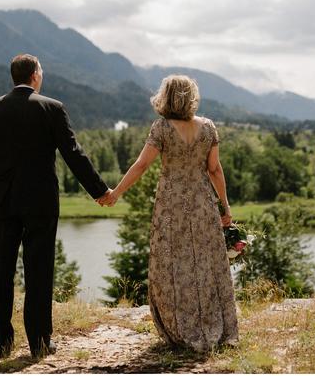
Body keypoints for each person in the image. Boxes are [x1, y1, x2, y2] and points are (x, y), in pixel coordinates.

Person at [0, 54, 113, 359]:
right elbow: (73, 153)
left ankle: (3, 342)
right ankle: (39, 342)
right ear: (35, 75)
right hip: (40, 201)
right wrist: (99, 191)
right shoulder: (52, 108)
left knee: (1, 270)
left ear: (15, 77)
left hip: (3, 201)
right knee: (38, 270)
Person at [102, 74, 239, 352]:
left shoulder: (162, 128)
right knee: (207, 263)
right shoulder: (209, 127)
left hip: (171, 205)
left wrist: (116, 192)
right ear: (192, 96)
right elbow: (214, 170)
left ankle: (180, 327)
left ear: (166, 96)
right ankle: (213, 324)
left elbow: (141, 165)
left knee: (173, 264)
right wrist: (225, 205)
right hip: (203, 203)